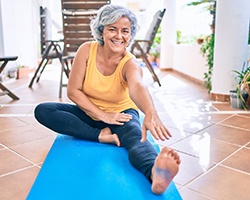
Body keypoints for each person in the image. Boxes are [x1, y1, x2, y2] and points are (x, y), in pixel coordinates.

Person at [34, 4, 181, 194]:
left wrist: (150, 112)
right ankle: (101, 135)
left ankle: (155, 173)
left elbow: (137, 86)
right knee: (43, 111)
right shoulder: (86, 50)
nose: (119, 36)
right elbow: (73, 91)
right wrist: (103, 115)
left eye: (125, 31)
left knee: (136, 138)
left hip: (122, 115)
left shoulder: (130, 63)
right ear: (101, 30)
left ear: (130, 35)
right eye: (112, 29)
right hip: (90, 111)